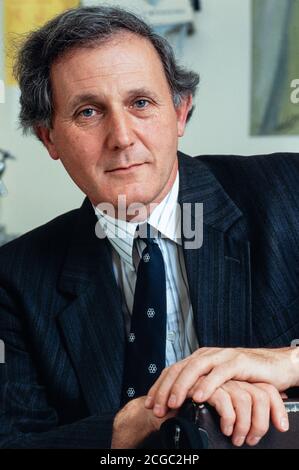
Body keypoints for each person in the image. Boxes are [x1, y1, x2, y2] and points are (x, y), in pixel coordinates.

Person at [0, 6, 299, 449]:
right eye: (88, 112)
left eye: (141, 103)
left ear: (180, 113)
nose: (122, 137)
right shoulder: (15, 277)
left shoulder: (288, 195)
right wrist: (135, 423)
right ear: (49, 138)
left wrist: (290, 363)